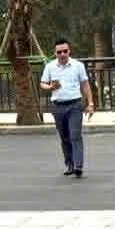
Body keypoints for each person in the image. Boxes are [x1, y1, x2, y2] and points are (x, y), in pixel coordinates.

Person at [40, 38, 94, 178]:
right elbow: (43, 83)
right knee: (64, 137)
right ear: (55, 53)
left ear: (69, 51)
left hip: (75, 105)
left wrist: (90, 104)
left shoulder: (78, 65)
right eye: (59, 52)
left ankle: (78, 166)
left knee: (75, 135)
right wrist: (49, 87)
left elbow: (85, 85)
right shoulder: (50, 67)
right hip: (58, 106)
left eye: (65, 51)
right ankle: (69, 164)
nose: (62, 54)